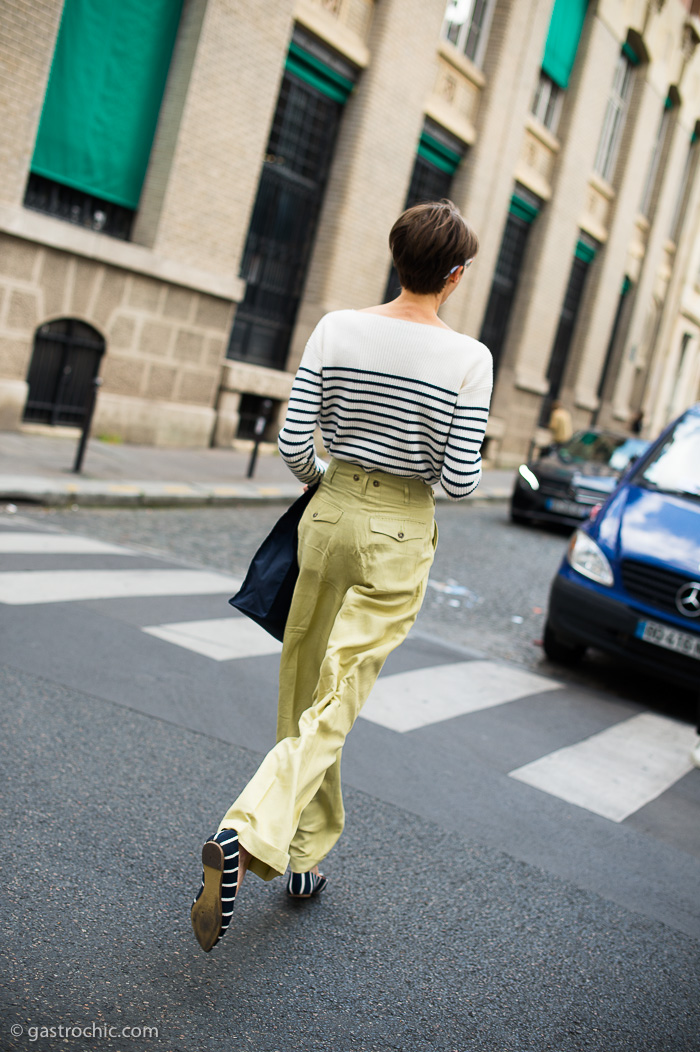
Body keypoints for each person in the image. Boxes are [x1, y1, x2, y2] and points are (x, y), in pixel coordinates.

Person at [190, 200, 493, 952]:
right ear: (453, 277)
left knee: (304, 687)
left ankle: (303, 853)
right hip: (398, 529)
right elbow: (459, 483)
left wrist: (330, 480)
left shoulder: (336, 328)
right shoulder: (469, 359)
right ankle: (245, 832)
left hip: (327, 514)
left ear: (397, 258)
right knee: (338, 696)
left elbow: (294, 442)